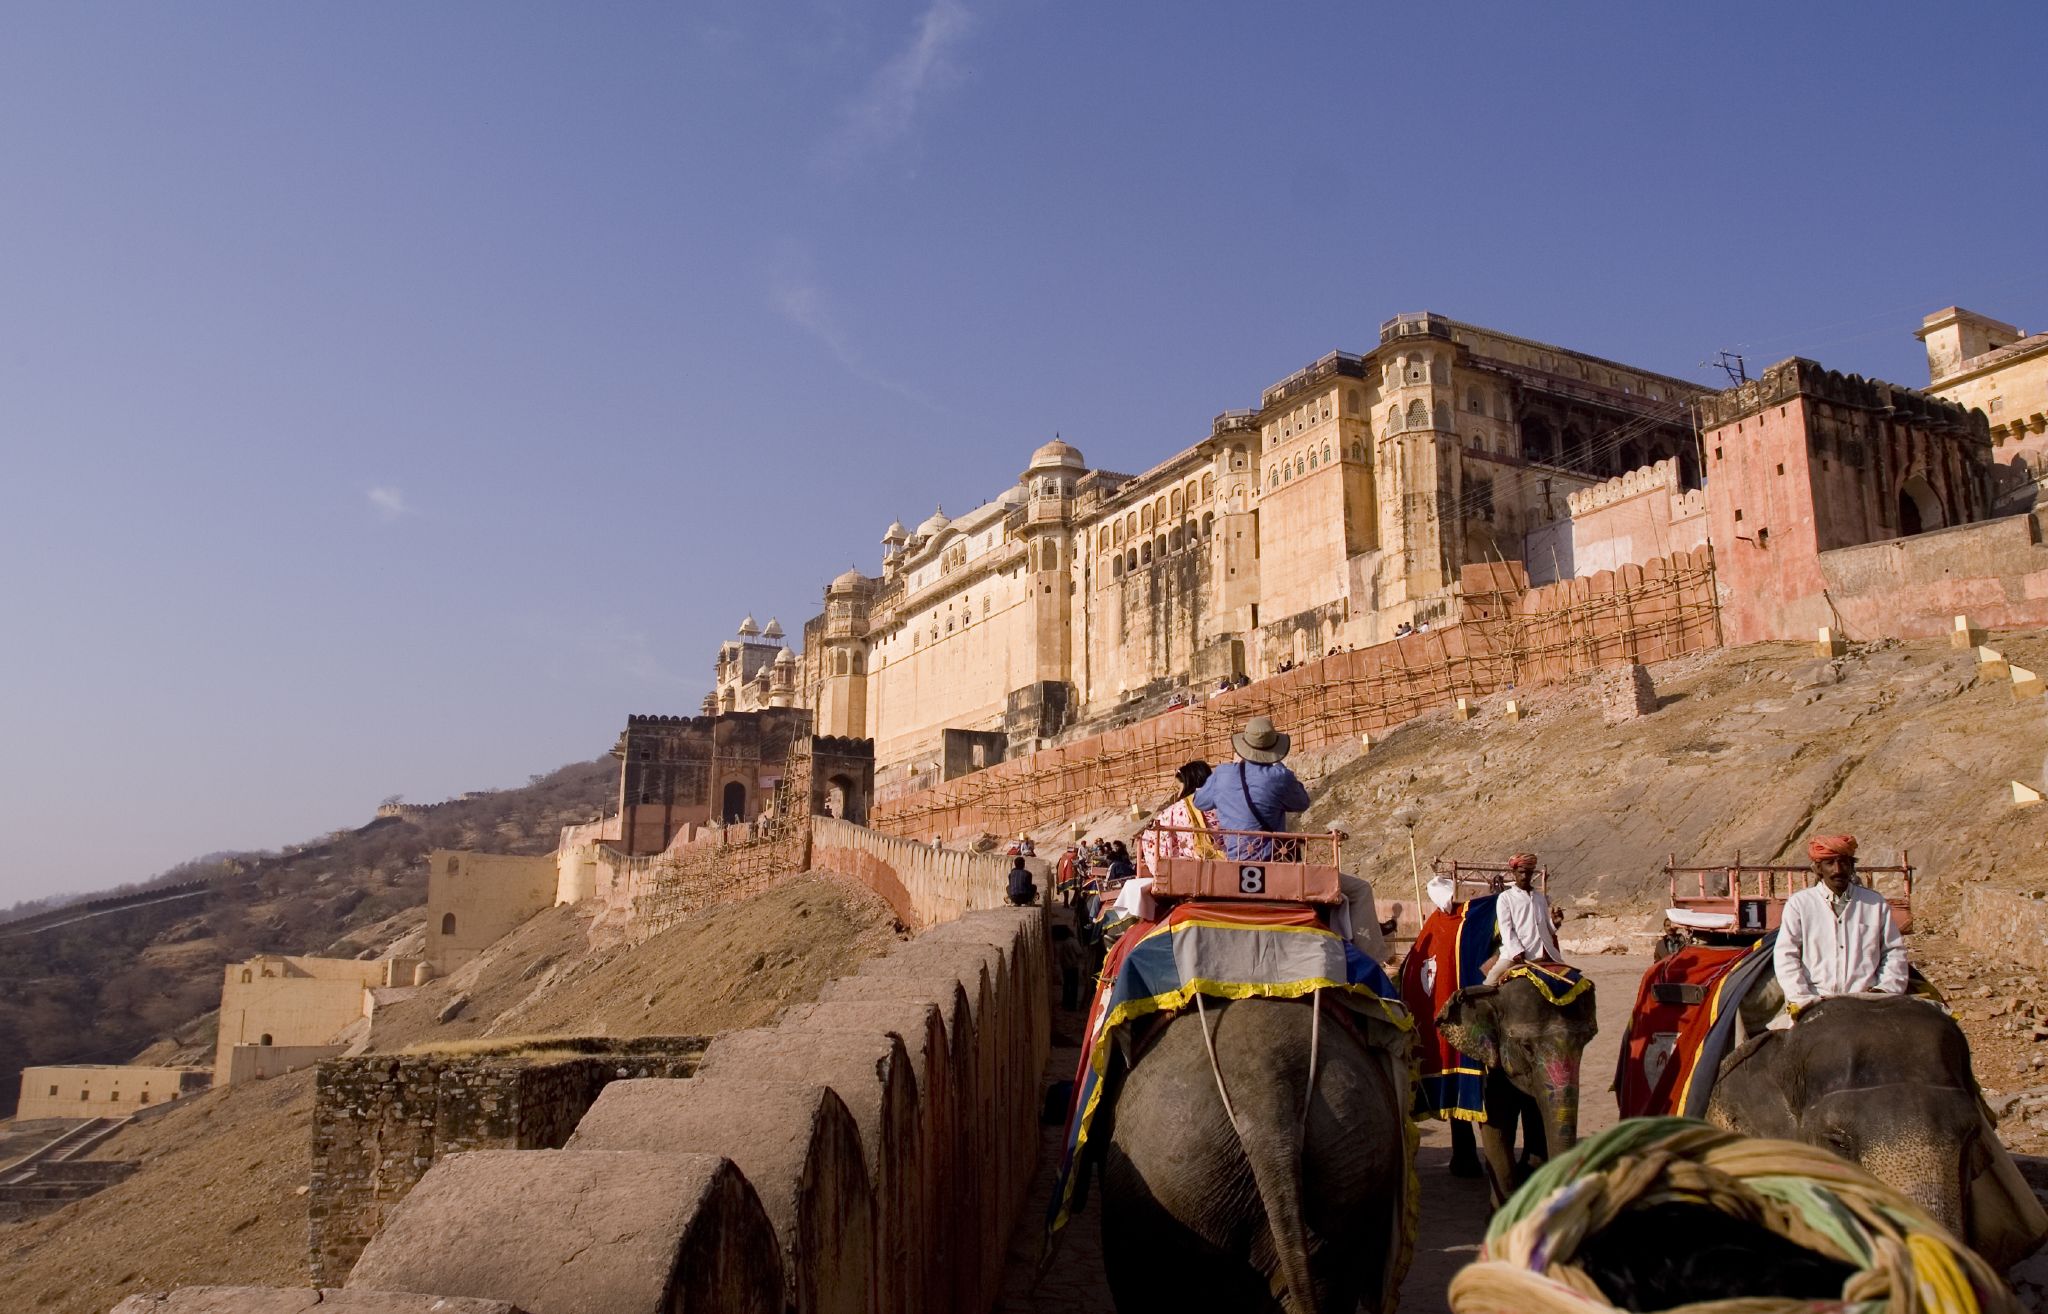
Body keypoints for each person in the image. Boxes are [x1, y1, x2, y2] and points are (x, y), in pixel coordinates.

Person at [1774, 834, 1907, 1013]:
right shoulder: (1800, 904)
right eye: (1830, 863)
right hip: (1816, 1000)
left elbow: (1893, 952)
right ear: (1818, 869)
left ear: (1852, 867)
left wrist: (1884, 991)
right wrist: (1802, 997)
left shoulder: (1875, 903)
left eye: (1843, 862)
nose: (1838, 870)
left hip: (1867, 1002)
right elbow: (1786, 955)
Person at [1193, 716, 1311, 860]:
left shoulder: (1222, 773)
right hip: (1272, 858)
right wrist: (1279, 766)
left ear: (1243, 746)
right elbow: (1302, 802)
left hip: (1235, 857)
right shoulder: (1280, 776)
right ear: (1275, 748)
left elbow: (1200, 802)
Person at [1484, 853, 1561, 984]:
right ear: (1513, 872)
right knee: (1490, 982)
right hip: (1517, 954)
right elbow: (1506, 929)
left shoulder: (1540, 898)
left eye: (1528, 873)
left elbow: (1546, 930)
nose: (1525, 876)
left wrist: (1555, 923)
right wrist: (1516, 951)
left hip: (1545, 951)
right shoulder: (1505, 898)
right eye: (1521, 872)